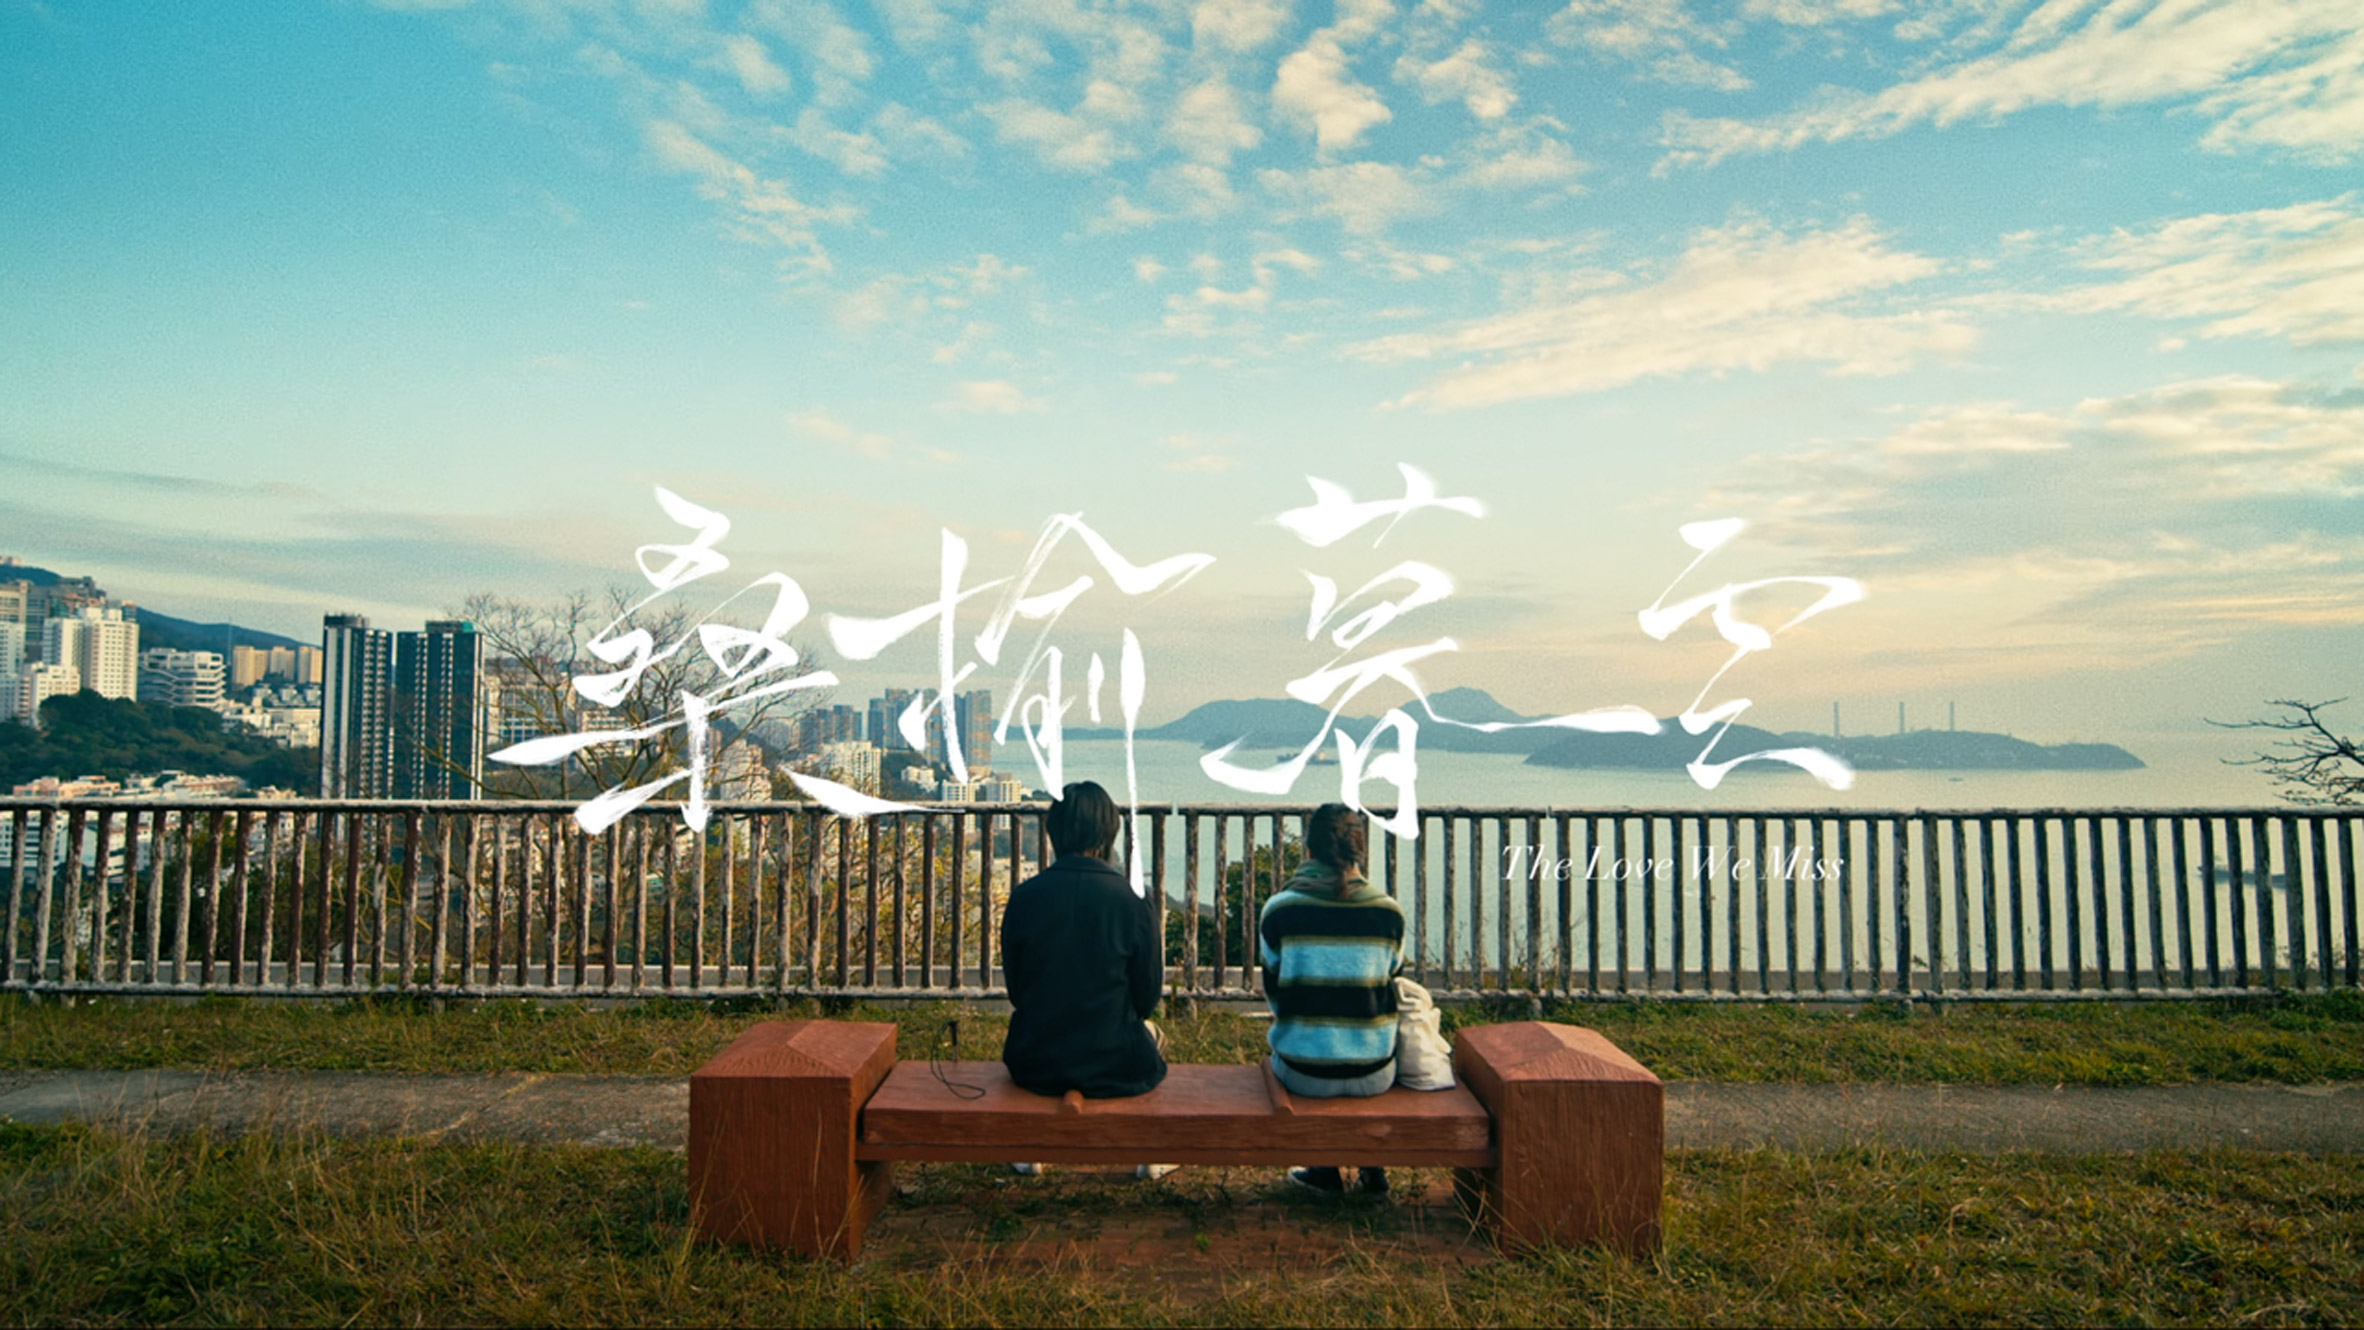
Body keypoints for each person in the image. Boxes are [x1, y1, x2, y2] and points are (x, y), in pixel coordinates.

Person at [999, 780, 1170, 1178]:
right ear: (1108, 834)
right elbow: (1146, 998)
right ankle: (1149, 1152)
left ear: (1055, 833)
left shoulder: (1025, 897)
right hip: (1117, 1061)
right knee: (1151, 1036)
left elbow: (1016, 991)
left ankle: (1032, 1148)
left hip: (1035, 1059)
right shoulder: (1132, 900)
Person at [1259, 802, 1406, 1196]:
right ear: (1359, 851)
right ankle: (1372, 1169)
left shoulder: (1280, 910)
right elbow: (1389, 982)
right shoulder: (1388, 912)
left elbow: (1276, 990)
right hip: (1375, 1070)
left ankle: (1324, 1170)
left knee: (1297, 1049)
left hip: (1303, 1071)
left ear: (1308, 850)